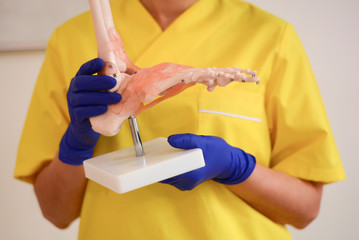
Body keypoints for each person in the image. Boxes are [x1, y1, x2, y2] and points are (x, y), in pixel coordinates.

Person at [14, 0, 346, 239]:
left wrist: (238, 168)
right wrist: (76, 146)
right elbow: (55, 213)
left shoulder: (272, 37)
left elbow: (305, 210)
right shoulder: (70, 39)